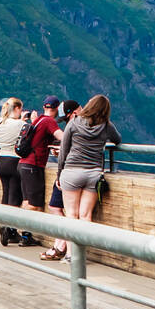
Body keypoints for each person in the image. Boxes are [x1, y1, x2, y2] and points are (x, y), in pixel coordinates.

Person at [53, 95, 120, 259]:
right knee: (85, 215)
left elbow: (64, 150)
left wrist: (59, 175)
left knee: (71, 215)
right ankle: (81, 255)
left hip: (71, 172)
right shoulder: (106, 125)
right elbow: (117, 140)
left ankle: (70, 254)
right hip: (93, 173)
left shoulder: (74, 122)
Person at [16, 95, 66, 246]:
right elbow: (63, 137)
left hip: (22, 164)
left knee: (26, 201)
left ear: (44, 107)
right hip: (33, 166)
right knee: (34, 204)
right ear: (57, 109)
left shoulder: (37, 120)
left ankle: (23, 233)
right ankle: (25, 235)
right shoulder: (50, 121)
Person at [41, 99, 81, 260]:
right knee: (64, 210)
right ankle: (61, 245)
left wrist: (59, 172)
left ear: (73, 112)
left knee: (58, 207)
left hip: (68, 172)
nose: (66, 122)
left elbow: (69, 148)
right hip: (82, 172)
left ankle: (63, 247)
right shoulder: (91, 124)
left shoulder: (74, 126)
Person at [0, 97, 24, 245]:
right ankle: (10, 230)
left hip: (1, 160)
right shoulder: (21, 124)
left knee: (5, 194)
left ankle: (2, 225)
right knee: (14, 197)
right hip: (14, 160)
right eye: (21, 110)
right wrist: (25, 120)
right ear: (17, 109)